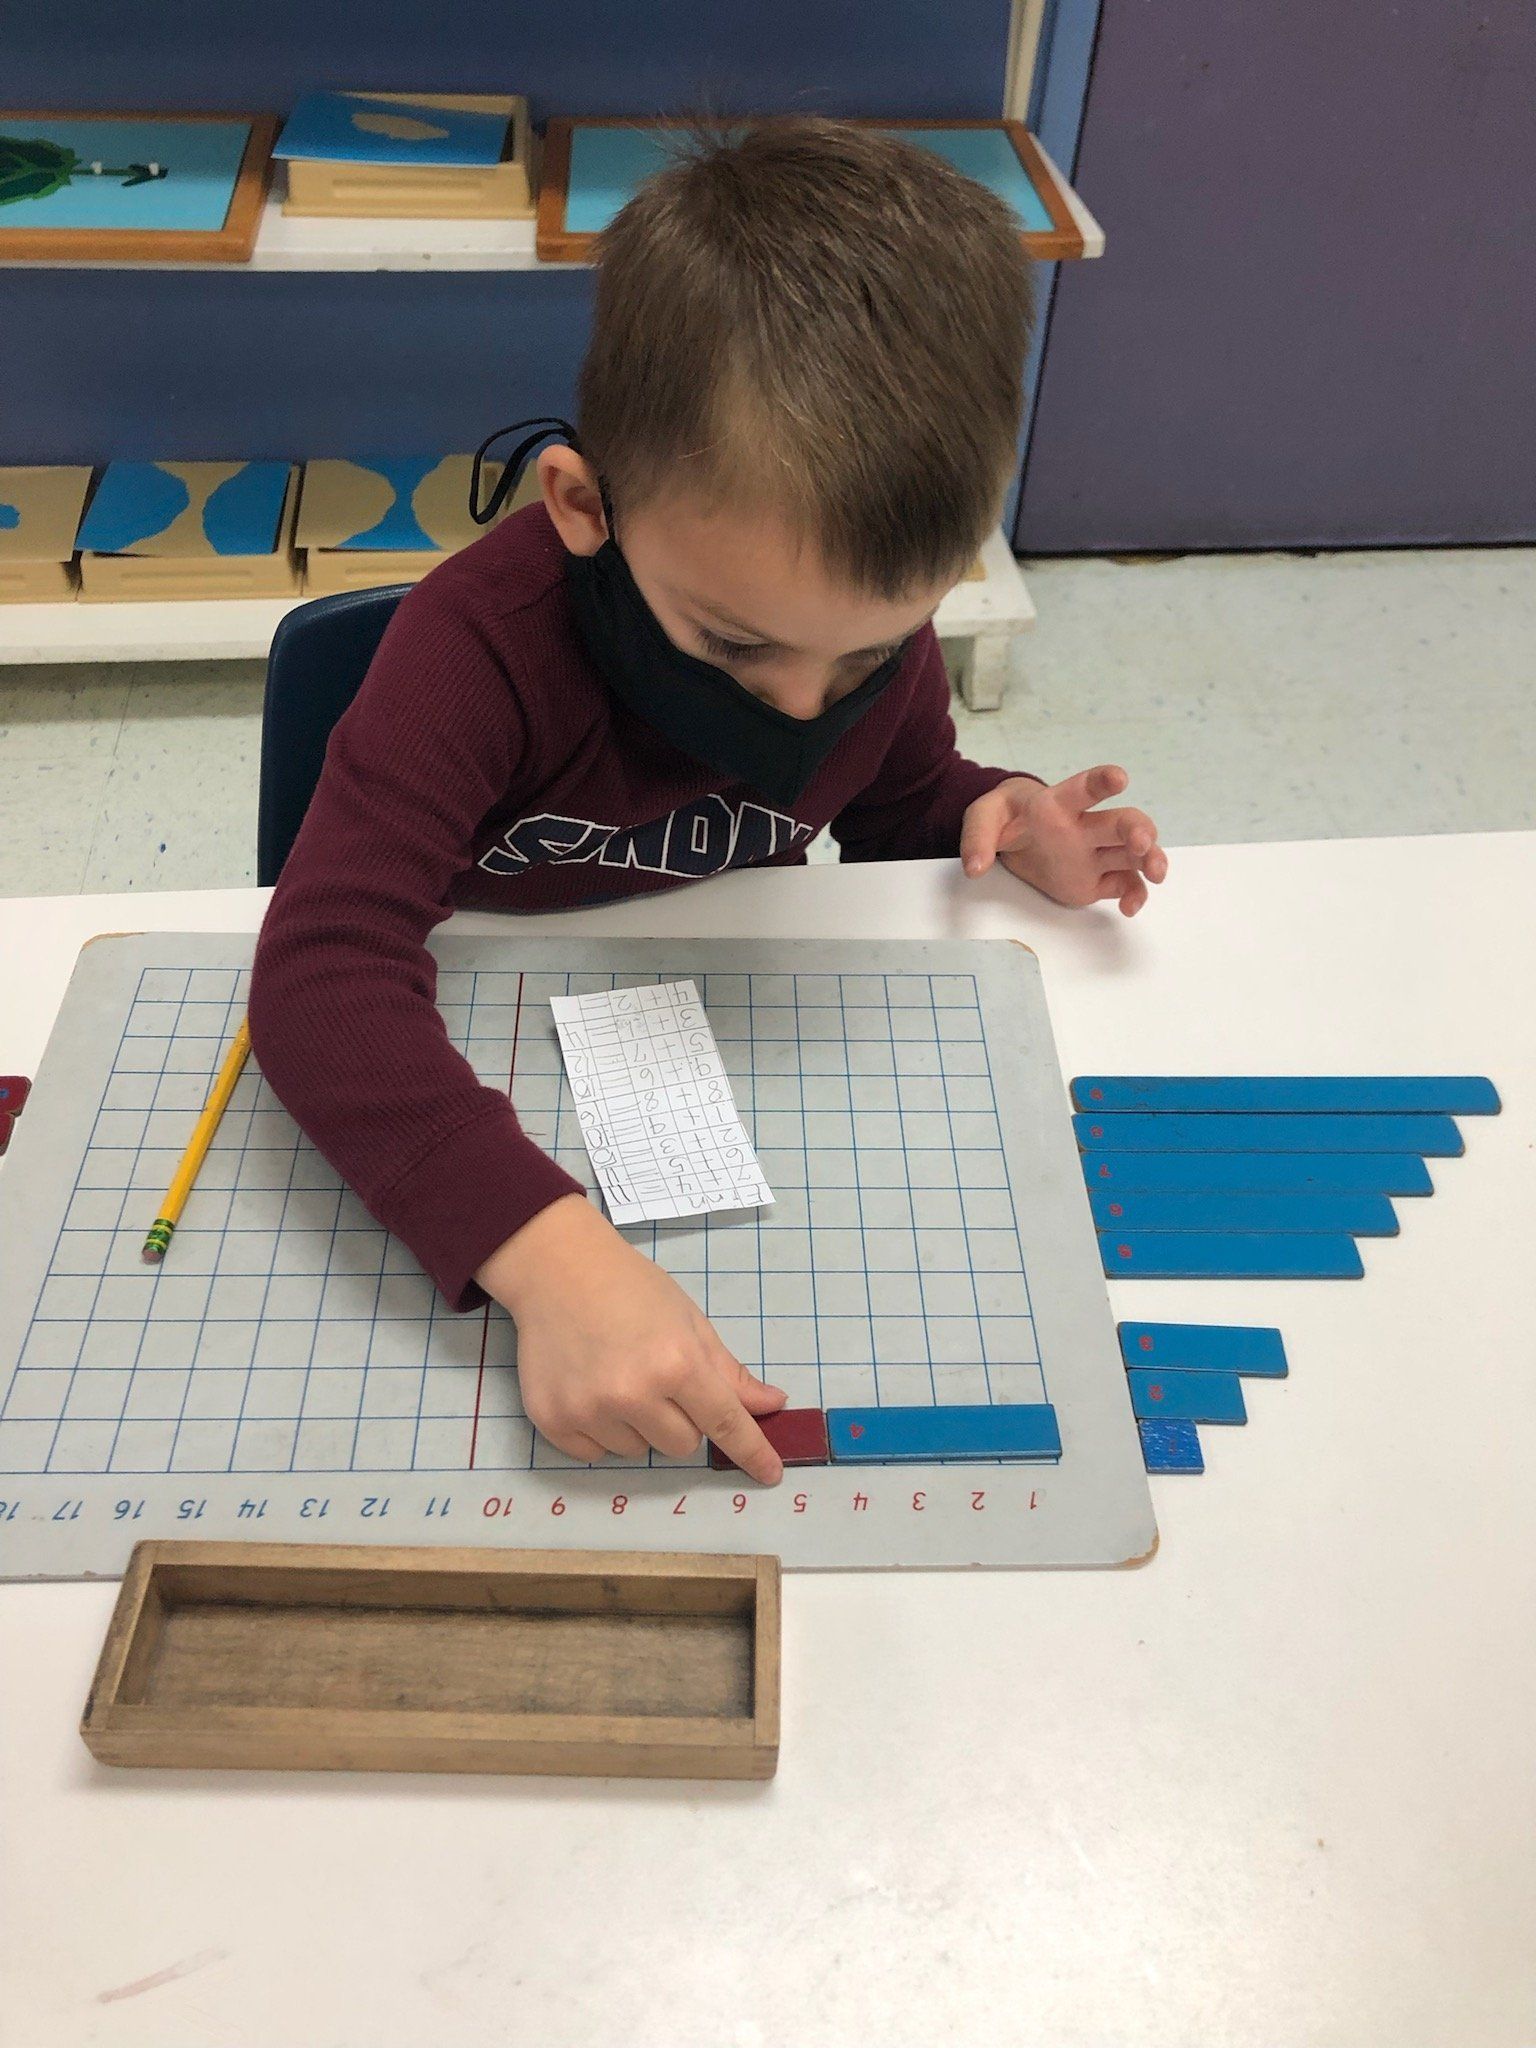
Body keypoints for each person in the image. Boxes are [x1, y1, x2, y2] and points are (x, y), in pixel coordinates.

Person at [248, 118, 1167, 1487]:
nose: (804, 707)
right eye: (737, 646)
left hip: (738, 1046)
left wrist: (999, 813)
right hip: (496, 1028)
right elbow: (322, 972)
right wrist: (550, 1258)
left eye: (866, 652)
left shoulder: (848, 630)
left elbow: (902, 802)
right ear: (582, 505)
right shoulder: (475, 649)